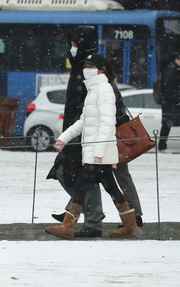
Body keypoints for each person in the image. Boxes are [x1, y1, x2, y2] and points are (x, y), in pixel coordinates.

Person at [46, 54, 141, 240]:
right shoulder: (94, 90)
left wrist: (98, 152)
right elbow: (84, 121)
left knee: (81, 186)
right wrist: (63, 139)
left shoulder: (104, 90)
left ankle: (68, 226)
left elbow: (107, 123)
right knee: (111, 187)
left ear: (102, 69)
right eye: (85, 65)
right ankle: (131, 225)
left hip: (99, 151)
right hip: (96, 150)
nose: (86, 69)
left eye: (90, 66)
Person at [46, 27, 105, 233]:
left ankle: (90, 219)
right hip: (78, 130)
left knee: (79, 174)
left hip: (86, 133)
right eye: (70, 43)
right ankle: (84, 214)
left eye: (75, 44)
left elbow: (96, 104)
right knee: (79, 174)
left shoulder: (90, 69)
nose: (71, 48)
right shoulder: (80, 66)